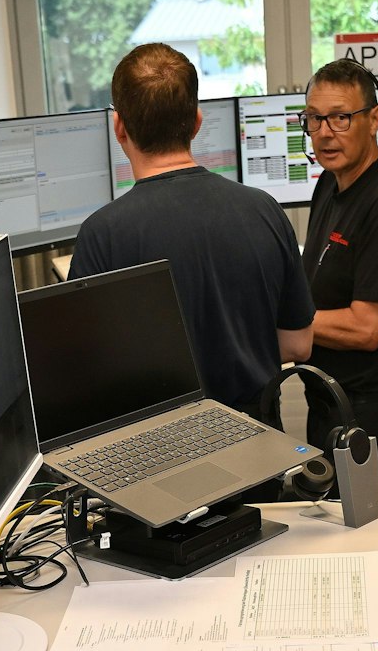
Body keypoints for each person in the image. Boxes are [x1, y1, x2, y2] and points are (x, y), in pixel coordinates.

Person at [70, 43, 312, 419]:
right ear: (197, 122)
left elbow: (87, 373)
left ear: (119, 127)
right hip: (261, 439)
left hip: (159, 444)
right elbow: (298, 345)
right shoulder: (266, 210)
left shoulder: (102, 235)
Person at [300, 58, 378, 494]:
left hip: (369, 415)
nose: (324, 132)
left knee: (366, 530)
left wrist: (286, 327)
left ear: (374, 120)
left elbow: (367, 328)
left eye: (340, 117)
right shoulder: (329, 184)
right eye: (314, 118)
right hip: (327, 403)